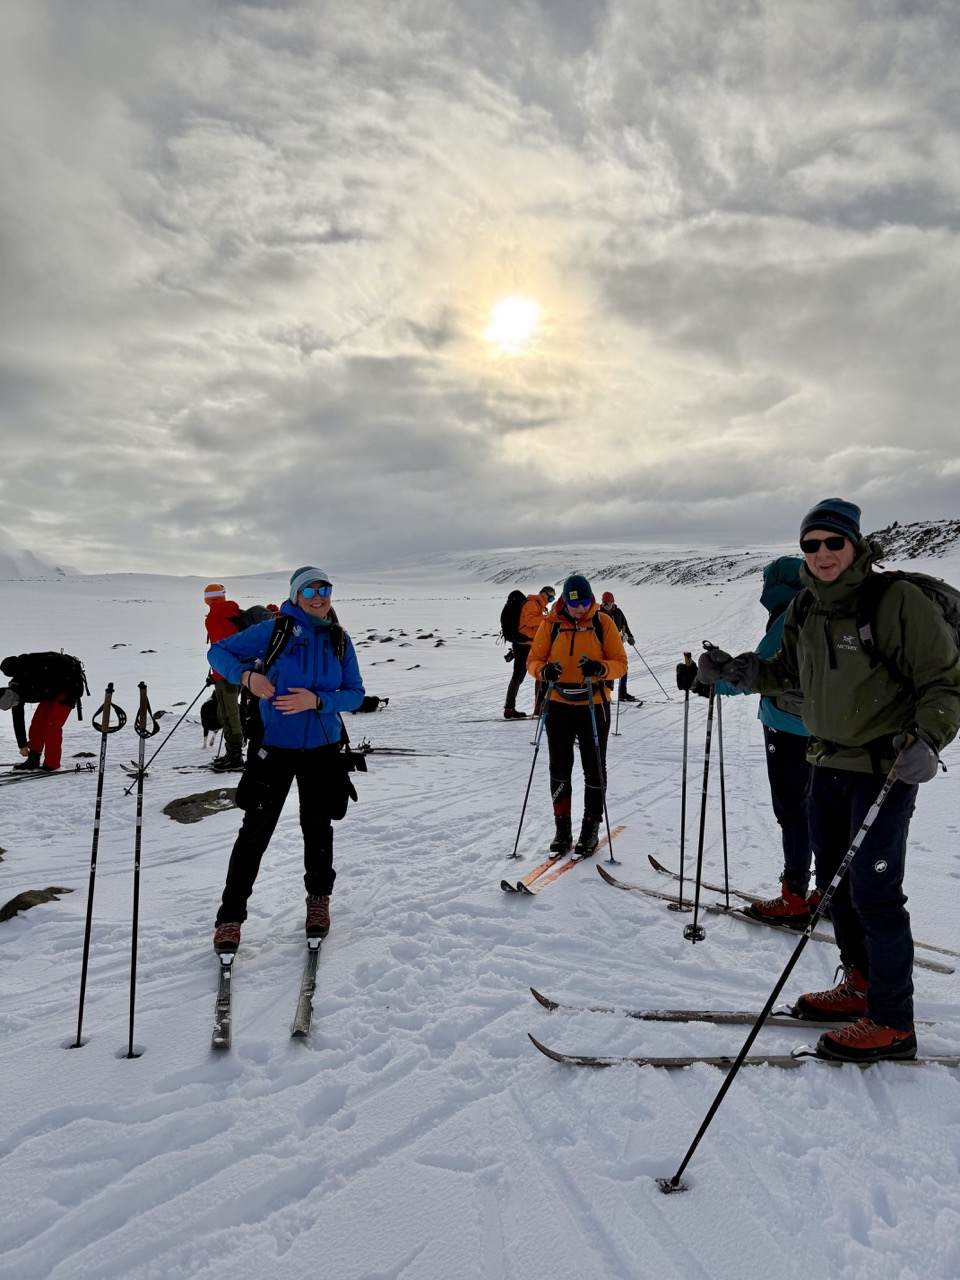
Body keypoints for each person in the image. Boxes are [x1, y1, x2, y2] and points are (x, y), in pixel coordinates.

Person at [696, 499, 960, 1062]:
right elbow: (786, 672)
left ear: (854, 545)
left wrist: (929, 740)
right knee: (836, 885)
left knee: (876, 893)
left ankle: (892, 1022)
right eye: (810, 545)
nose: (821, 553)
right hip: (825, 761)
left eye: (832, 542)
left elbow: (944, 681)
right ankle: (859, 985)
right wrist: (740, 672)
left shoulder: (895, 600)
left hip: (884, 769)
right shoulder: (806, 605)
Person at [207, 567, 365, 954]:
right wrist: (247, 678)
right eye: (309, 590)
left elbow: (356, 693)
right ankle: (230, 916)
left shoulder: (339, 639)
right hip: (274, 747)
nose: (318, 596)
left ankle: (318, 900)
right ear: (295, 596)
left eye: (324, 589)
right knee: (255, 832)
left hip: (323, 749)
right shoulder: (275, 631)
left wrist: (319, 700)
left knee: (318, 827)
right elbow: (218, 652)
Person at [703, 557, 815, 925]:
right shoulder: (824, 608)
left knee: (793, 812)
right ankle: (829, 893)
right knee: (820, 811)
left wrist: (709, 684)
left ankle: (794, 898)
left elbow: (760, 672)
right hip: (824, 728)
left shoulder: (790, 616)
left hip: (787, 727)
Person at [527, 574, 628, 857]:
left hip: (594, 704)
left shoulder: (602, 623)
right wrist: (544, 671)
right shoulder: (550, 625)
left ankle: (590, 827)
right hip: (558, 704)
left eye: (585, 602)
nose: (581, 609)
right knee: (559, 767)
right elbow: (533, 660)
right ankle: (562, 828)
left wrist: (600, 668)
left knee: (594, 767)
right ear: (564, 601)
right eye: (575, 604)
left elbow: (620, 663)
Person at [0, 652, 86, 771]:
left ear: (14, 698)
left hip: (69, 688)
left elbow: (57, 671)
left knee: (51, 726)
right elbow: (18, 720)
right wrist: (22, 745)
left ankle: (52, 764)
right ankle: (34, 758)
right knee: (37, 724)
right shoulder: (16, 688)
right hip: (50, 691)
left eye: (12, 704)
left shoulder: (33, 674)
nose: (14, 706)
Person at [203, 583, 246, 772]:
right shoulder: (233, 612)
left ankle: (235, 757)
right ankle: (233, 754)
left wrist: (217, 673)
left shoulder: (215, 617)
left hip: (225, 673)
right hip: (237, 671)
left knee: (229, 714)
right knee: (228, 712)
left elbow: (219, 647)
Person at [504, 587, 556, 719]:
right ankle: (510, 708)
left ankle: (537, 707)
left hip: (529, 644)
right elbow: (530, 621)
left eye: (552, 598)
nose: (551, 600)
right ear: (543, 594)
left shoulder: (538, 605)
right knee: (521, 676)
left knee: (536, 674)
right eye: (550, 597)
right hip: (524, 645)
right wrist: (547, 618)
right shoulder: (532, 603)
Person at [600, 592, 639, 701]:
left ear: (613, 602)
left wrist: (630, 637)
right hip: (605, 646)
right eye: (604, 604)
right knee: (608, 669)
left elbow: (625, 625)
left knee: (622, 667)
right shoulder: (600, 614)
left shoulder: (618, 612)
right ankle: (605, 694)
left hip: (617, 645)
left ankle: (622, 693)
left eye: (608, 604)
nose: (606, 606)